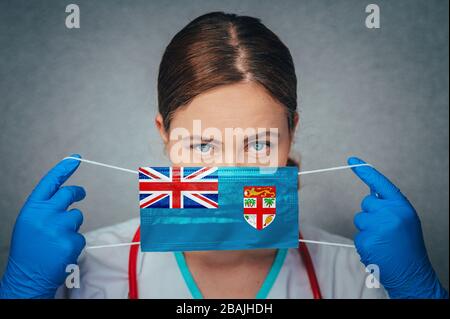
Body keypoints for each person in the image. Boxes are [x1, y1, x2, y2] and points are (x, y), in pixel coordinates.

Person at [0, 12, 447, 299]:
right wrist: (22, 293)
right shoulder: (85, 269)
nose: (231, 171)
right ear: (165, 136)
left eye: (258, 143)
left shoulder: (356, 274)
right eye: (202, 144)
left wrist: (418, 292)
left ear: (292, 132)